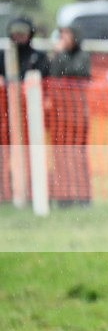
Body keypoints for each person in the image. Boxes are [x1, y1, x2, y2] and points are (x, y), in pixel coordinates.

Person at [0, 16, 50, 203]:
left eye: (22, 32)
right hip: (5, 116)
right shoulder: (3, 56)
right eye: (16, 32)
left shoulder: (38, 57)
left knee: (32, 155)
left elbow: (45, 82)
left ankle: (31, 191)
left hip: (31, 117)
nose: (18, 36)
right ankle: (5, 192)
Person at [48, 25, 92, 207]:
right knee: (61, 156)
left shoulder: (82, 56)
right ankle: (63, 195)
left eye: (66, 36)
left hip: (77, 114)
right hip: (60, 114)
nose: (63, 39)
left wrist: (62, 54)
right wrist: (58, 55)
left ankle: (83, 196)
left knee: (78, 156)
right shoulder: (57, 56)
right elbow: (54, 75)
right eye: (61, 36)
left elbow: (75, 72)